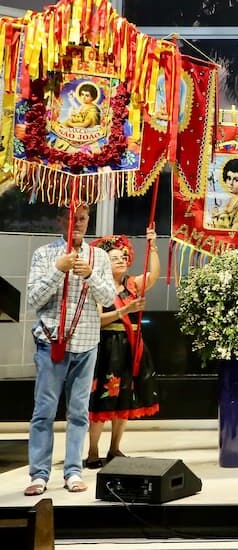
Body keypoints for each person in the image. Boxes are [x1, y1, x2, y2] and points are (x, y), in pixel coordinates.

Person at [25, 205, 114, 496]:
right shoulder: (44, 254)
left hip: (86, 342)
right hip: (51, 341)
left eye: (83, 218)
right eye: (72, 218)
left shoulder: (98, 257)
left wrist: (90, 275)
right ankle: (39, 474)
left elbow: (109, 297)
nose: (77, 223)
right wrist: (57, 271)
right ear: (60, 219)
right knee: (44, 411)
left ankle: (73, 471)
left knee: (78, 412)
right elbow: (34, 299)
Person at [84, 229, 161, 469]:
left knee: (125, 400)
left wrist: (154, 246)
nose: (121, 260)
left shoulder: (133, 284)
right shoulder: (99, 287)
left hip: (131, 347)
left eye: (123, 257)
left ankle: (115, 448)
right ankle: (93, 450)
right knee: (103, 401)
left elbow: (154, 275)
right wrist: (122, 312)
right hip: (108, 347)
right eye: (115, 257)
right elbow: (97, 320)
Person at [209, 157, 238, 231]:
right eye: (229, 178)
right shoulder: (231, 200)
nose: (231, 183)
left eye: (236, 180)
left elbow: (237, 231)